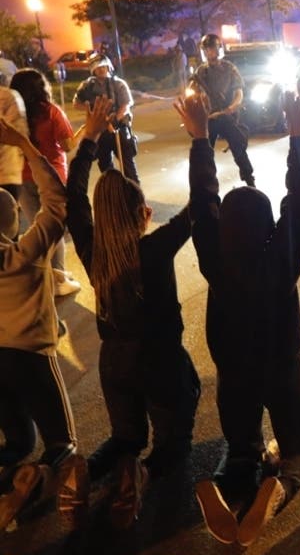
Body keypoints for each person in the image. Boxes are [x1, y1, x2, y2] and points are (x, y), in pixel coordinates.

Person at [178, 90, 300, 547]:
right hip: (282, 361)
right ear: (269, 225)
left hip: (235, 368)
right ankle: (278, 489)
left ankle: (222, 486)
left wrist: (201, 139)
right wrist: (297, 135)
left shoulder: (214, 257)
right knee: (297, 450)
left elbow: (203, 201)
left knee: (240, 450)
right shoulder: (283, 255)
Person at [63, 95, 201, 528]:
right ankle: (142, 474)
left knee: (125, 436)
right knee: (173, 441)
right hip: (160, 359)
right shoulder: (154, 250)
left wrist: (88, 139)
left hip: (114, 361)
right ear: (141, 214)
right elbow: (201, 203)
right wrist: (201, 139)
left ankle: (92, 470)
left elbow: (74, 201)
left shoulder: (92, 251)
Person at [0, 93, 82, 530]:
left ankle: (13, 478)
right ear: (12, 222)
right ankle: (42, 483)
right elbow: (57, 203)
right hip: (32, 356)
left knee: (17, 440)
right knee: (62, 442)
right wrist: (26, 146)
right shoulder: (26, 254)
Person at [10, 68, 80, 296]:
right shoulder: (51, 112)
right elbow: (68, 145)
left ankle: (48, 274)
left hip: (22, 176)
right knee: (54, 227)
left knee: (36, 226)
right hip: (51, 178)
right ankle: (58, 278)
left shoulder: (12, 116)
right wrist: (86, 129)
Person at [190, 34, 255, 187]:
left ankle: (249, 179)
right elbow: (194, 92)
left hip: (227, 115)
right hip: (210, 118)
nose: (210, 52)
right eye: (207, 49)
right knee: (204, 150)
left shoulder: (229, 69)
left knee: (238, 147)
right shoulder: (201, 72)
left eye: (213, 48)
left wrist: (231, 108)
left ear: (219, 48)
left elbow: (239, 92)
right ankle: (206, 182)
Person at [73, 55, 139, 185]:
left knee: (127, 163)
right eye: (98, 68)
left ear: (109, 67)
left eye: (103, 67)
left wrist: (114, 121)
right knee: (104, 164)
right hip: (100, 130)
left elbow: (126, 105)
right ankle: (113, 191)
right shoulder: (87, 86)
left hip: (118, 128)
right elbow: (76, 103)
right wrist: (92, 110)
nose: (101, 70)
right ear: (93, 70)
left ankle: (135, 193)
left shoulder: (118, 84)